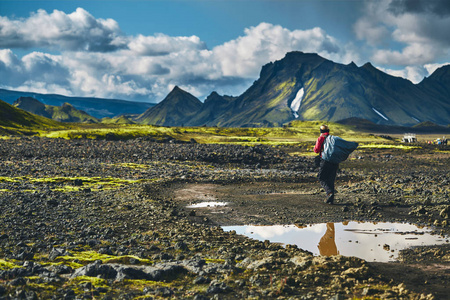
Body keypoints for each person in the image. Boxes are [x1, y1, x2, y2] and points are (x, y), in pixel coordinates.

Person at [314, 124, 339, 204]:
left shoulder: (321, 138)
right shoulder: (333, 138)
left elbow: (316, 150)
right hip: (335, 161)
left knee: (321, 178)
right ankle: (330, 200)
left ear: (321, 131)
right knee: (331, 179)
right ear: (328, 131)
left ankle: (329, 193)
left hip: (325, 161)